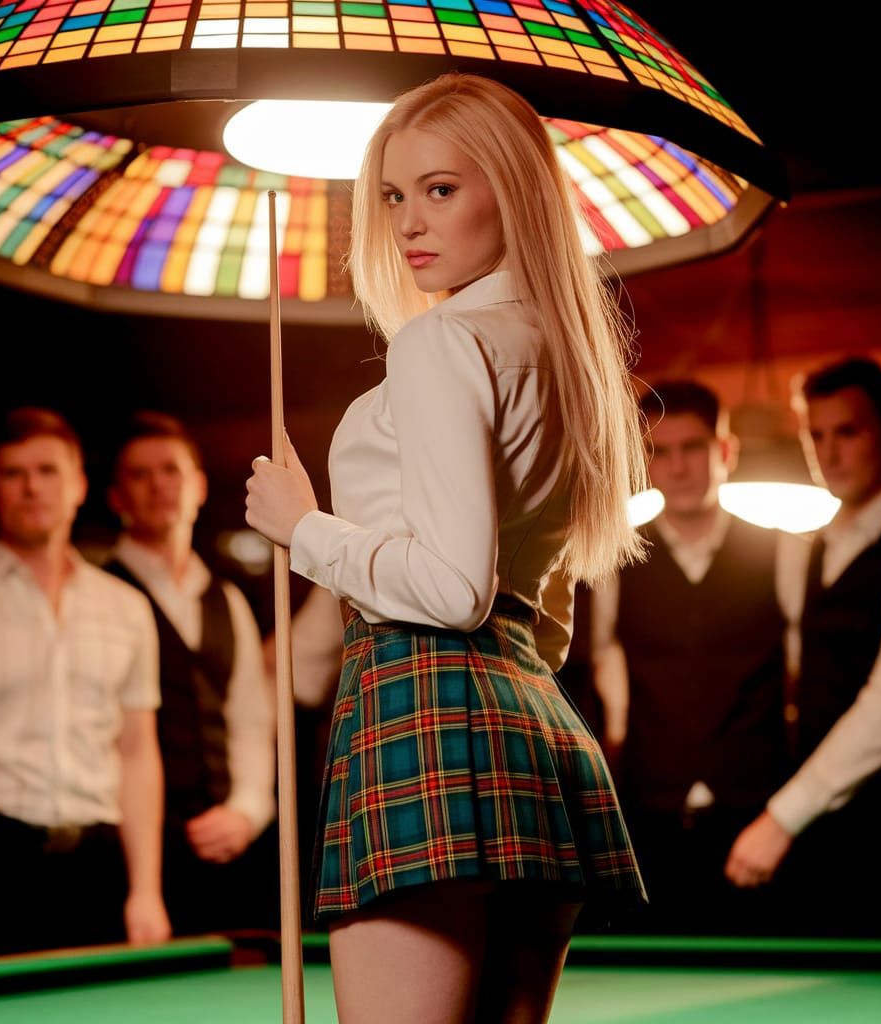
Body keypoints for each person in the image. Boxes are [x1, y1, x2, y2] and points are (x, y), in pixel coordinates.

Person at [244, 73, 647, 1023]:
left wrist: (304, 529)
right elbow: (545, 617)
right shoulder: (564, 352)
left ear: (513, 189)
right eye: (392, 195)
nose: (408, 223)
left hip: (420, 704)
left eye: (440, 188)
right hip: (533, 723)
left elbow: (457, 588)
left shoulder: (440, 342)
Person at [0, 408, 170, 963]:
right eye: (14, 473)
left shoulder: (127, 608)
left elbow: (136, 751)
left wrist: (146, 889)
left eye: (48, 471)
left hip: (97, 862)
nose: (32, 487)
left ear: (79, 486)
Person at [725, 357, 881, 936]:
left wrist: (780, 818)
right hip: (826, 833)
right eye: (815, 436)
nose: (829, 454)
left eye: (848, 432)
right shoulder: (812, 546)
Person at [591, 380, 788, 933]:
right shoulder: (614, 561)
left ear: (725, 450)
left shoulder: (782, 550)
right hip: (649, 818)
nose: (677, 467)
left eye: (693, 448)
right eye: (661, 451)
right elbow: (605, 674)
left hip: (758, 817)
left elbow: (802, 674)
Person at [105, 411, 278, 936]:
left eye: (171, 470)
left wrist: (246, 811)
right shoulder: (100, 594)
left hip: (230, 848)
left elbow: (251, 721)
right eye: (140, 474)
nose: (158, 485)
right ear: (116, 497)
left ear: (198, 487)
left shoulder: (227, 598)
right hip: (128, 854)